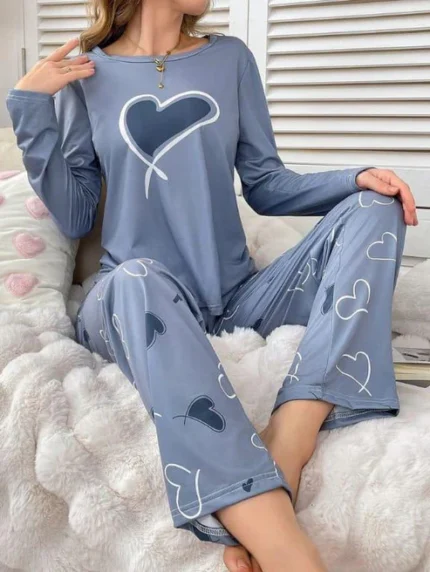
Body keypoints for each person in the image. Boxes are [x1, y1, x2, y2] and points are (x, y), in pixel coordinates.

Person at [6, 0, 418, 570]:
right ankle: (281, 543)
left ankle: (292, 431)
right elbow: (76, 215)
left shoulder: (231, 61)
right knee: (137, 277)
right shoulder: (87, 74)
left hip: (237, 298)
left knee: (376, 206)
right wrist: (30, 105)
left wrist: (353, 179)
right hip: (135, 300)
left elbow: (265, 184)